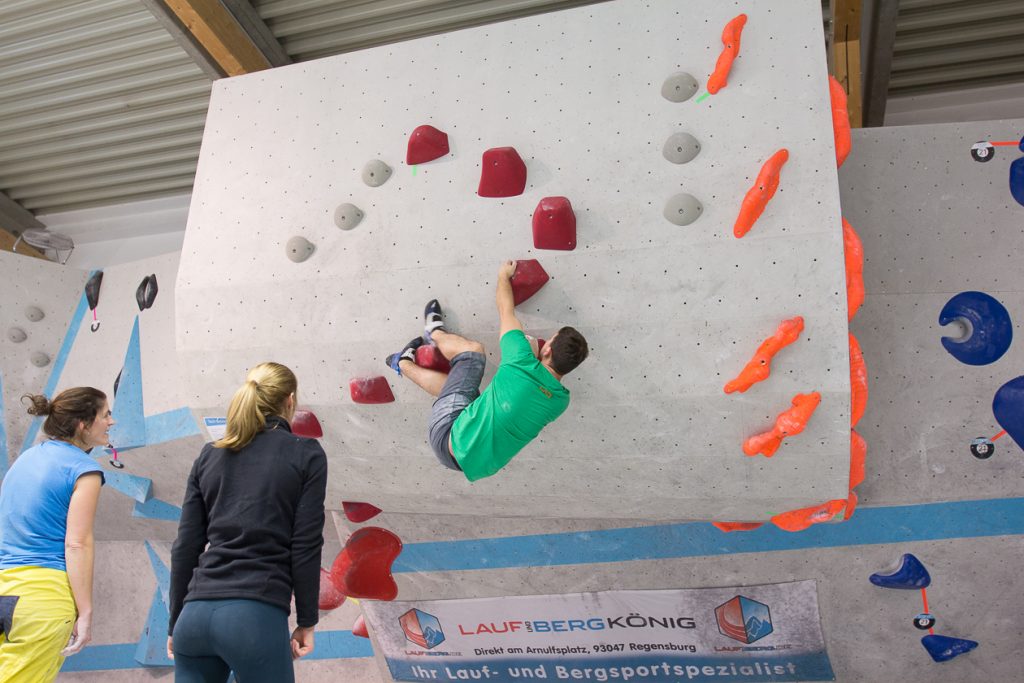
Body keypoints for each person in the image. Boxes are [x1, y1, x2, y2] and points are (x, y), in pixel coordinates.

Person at [168, 362, 327, 683]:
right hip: (254, 616)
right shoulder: (305, 454)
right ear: (290, 401)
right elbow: (306, 545)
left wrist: (174, 624)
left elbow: (185, 547)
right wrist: (307, 620)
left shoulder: (209, 455)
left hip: (194, 617)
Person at [387, 259, 589, 481]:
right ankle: (403, 362)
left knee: (473, 353)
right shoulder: (560, 402)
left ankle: (428, 338)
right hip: (466, 463)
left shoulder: (520, 360)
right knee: (459, 389)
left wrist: (504, 276)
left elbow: (506, 311)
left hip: (448, 433)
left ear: (548, 348)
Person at [0, 388, 111, 682]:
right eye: (106, 415)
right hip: (42, 599)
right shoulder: (84, 469)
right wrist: (85, 612)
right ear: (82, 424)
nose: (111, 422)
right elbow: (77, 543)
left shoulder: (25, 460)